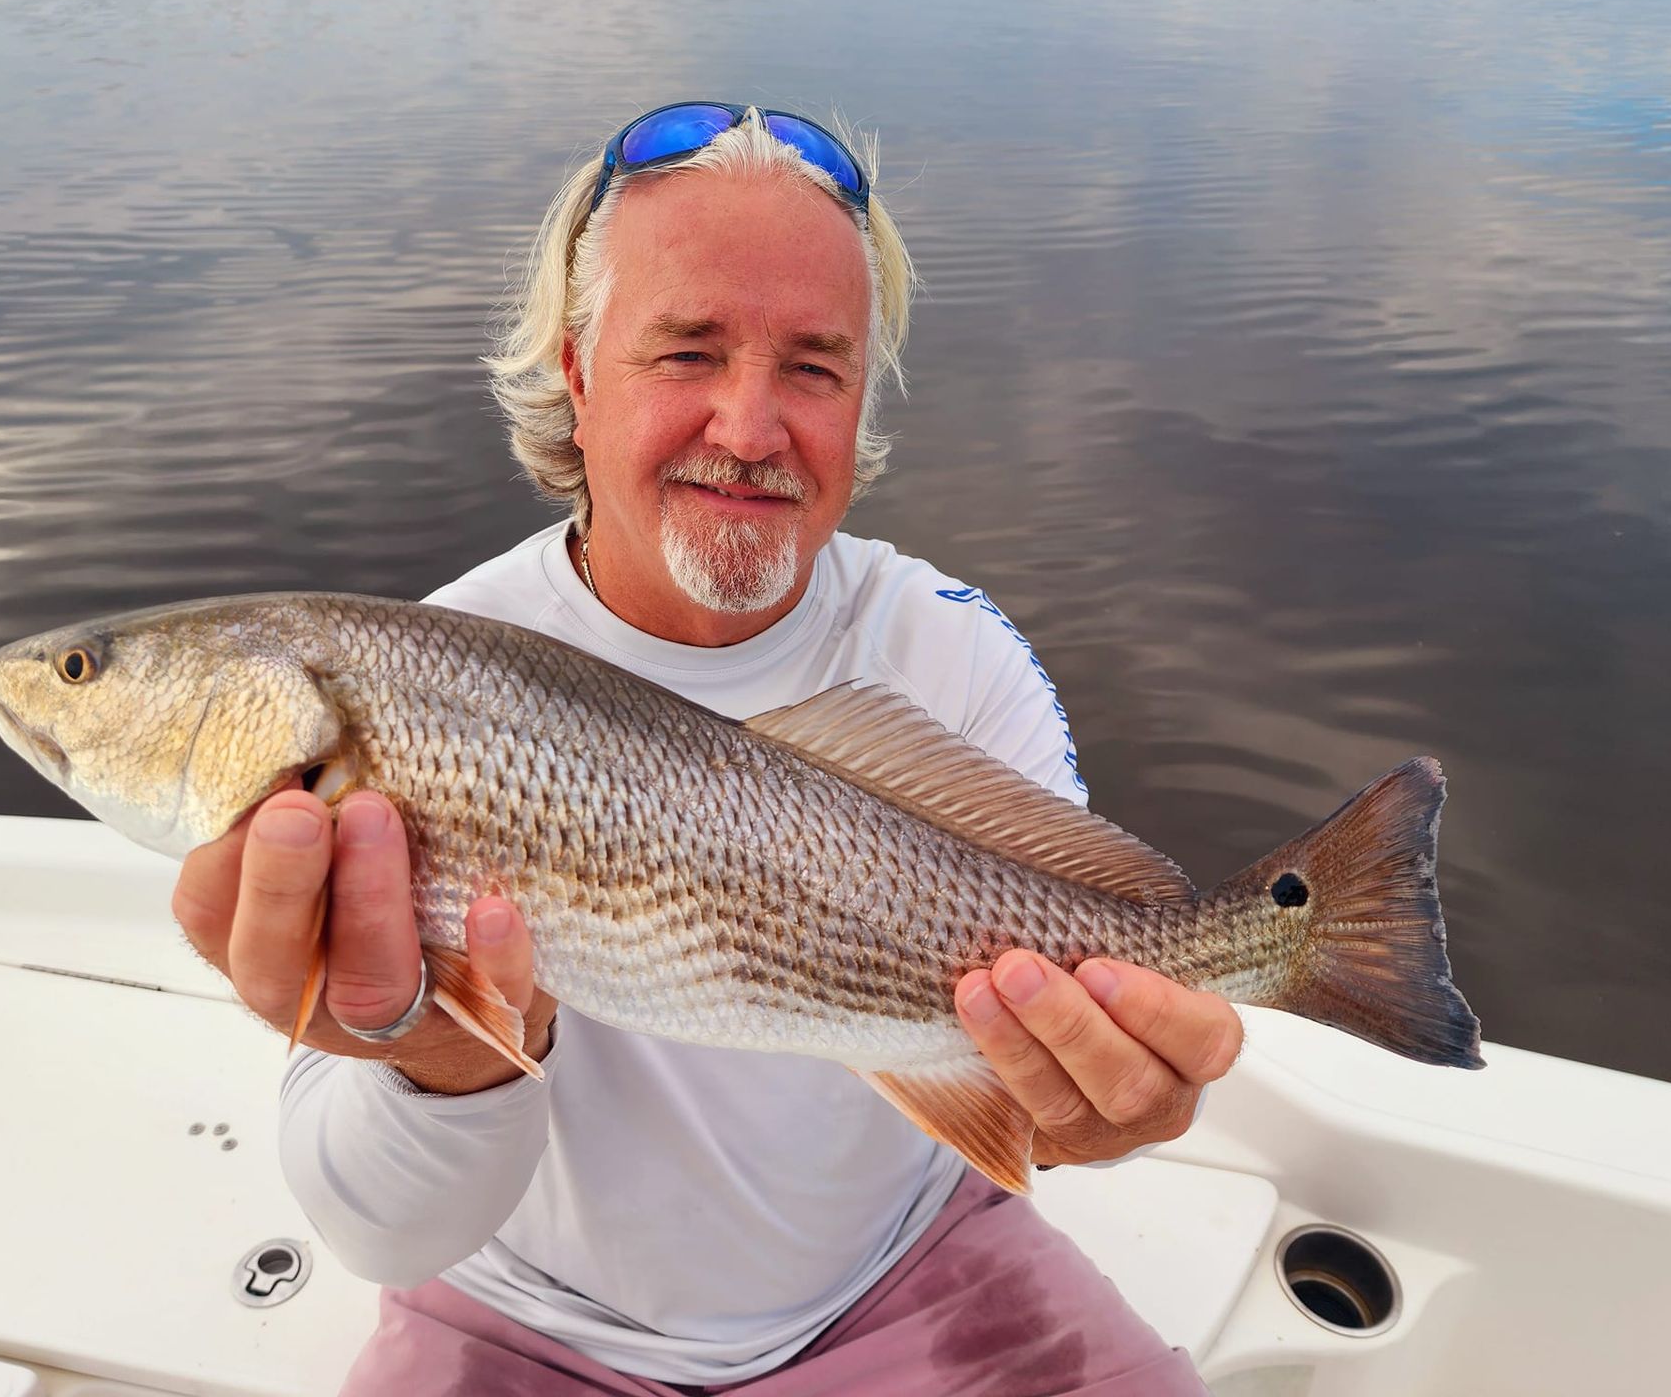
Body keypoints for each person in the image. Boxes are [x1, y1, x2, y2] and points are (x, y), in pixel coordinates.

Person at [171, 103, 1241, 1396]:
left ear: (862, 396)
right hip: (515, 1324)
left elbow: (1043, 1080)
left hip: (917, 1274)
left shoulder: (959, 652)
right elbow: (382, 1234)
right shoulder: (431, 669)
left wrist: (1088, 1105)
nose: (749, 426)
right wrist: (443, 1058)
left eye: (814, 367)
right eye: (686, 352)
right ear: (577, 369)